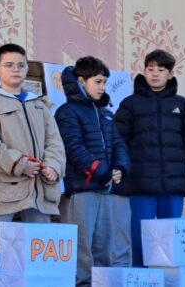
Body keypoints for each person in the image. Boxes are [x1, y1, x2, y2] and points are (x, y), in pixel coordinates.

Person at [0, 43, 65, 287]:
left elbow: (55, 142)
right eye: (9, 65)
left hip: (39, 187)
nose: (15, 69)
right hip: (4, 187)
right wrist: (20, 164)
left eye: (21, 65)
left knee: (40, 245)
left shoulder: (39, 104)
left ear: (27, 69)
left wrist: (52, 166)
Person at [55, 56, 130, 286]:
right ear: (81, 81)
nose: (102, 87)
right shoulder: (67, 111)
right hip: (82, 189)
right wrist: (102, 172)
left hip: (105, 188)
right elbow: (74, 149)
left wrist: (119, 168)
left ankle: (102, 283)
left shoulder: (105, 112)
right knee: (82, 245)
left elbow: (118, 143)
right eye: (98, 82)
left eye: (105, 82)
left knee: (104, 245)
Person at [114, 49, 185, 267]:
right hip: (140, 183)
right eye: (150, 69)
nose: (155, 73)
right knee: (140, 236)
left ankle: (169, 279)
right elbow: (119, 141)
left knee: (170, 239)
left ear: (170, 74)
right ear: (144, 71)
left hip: (173, 184)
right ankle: (142, 277)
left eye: (161, 69)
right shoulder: (130, 104)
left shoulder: (182, 104)